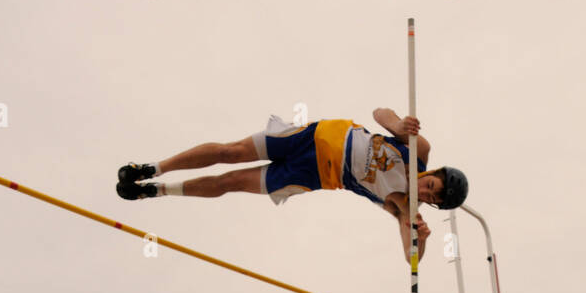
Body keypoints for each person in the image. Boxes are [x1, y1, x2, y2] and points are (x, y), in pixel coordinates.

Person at [116, 109, 468, 265]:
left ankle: (155, 191)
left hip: (314, 175)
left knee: (230, 183)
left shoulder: (405, 208)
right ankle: (153, 168)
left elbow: (411, 259)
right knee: (230, 152)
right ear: (433, 171)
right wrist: (399, 124)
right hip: (314, 137)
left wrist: (419, 238)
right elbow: (380, 113)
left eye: (432, 199)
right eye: (432, 185)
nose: (426, 193)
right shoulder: (418, 151)